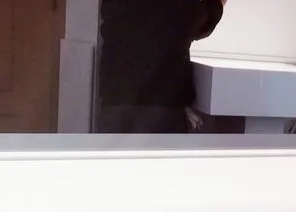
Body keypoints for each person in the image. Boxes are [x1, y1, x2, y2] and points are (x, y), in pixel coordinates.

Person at [96, 0, 226, 134]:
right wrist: (216, 5)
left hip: (116, 95)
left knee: (112, 140)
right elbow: (190, 21)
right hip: (159, 99)